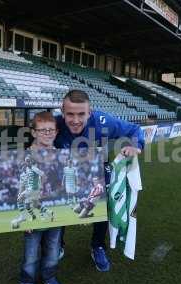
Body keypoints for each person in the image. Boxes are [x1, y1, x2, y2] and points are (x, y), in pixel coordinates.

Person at [55, 89, 144, 272]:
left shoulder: (103, 121)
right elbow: (31, 140)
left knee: (101, 208)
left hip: (95, 172)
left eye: (81, 114)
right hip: (66, 174)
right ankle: (57, 245)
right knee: (58, 206)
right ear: (62, 111)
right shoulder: (54, 124)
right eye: (70, 114)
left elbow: (135, 129)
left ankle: (97, 246)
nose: (76, 120)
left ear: (90, 112)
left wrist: (135, 145)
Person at [18, 111, 63, 284]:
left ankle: (48, 276)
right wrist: (24, 218)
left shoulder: (61, 155)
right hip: (32, 215)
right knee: (31, 254)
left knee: (53, 250)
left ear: (56, 131)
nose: (47, 133)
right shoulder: (23, 157)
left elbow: (63, 186)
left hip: (55, 213)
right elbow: (18, 189)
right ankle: (26, 281)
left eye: (50, 130)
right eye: (42, 130)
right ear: (33, 132)